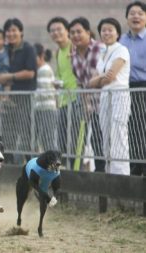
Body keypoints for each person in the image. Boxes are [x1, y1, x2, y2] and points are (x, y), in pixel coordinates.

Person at [89, 18, 130, 175]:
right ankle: (110, 172)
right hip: (105, 96)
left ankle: (122, 175)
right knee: (105, 135)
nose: (106, 33)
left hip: (119, 95)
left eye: (110, 29)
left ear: (117, 33)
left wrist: (101, 78)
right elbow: (91, 82)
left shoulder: (121, 50)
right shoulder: (103, 53)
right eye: (103, 30)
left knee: (118, 133)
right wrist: (101, 78)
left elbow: (111, 77)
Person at [0, 18, 37, 164]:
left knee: (26, 136)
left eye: (14, 30)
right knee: (7, 136)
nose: (11, 33)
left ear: (21, 32)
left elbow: (31, 73)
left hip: (24, 99)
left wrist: (10, 76)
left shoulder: (28, 49)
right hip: (8, 101)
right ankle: (8, 170)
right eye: (8, 31)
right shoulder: (4, 50)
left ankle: (32, 170)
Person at [69, 17, 106, 172]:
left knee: (109, 143)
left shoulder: (101, 48)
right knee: (96, 142)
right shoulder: (73, 56)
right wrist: (86, 105)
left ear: (88, 33)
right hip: (91, 108)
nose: (76, 35)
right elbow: (80, 83)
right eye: (72, 33)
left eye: (79, 32)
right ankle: (99, 173)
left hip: (106, 103)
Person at [47, 16, 80, 168]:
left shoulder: (75, 47)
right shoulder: (58, 52)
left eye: (59, 29)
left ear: (67, 31)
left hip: (77, 99)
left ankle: (76, 170)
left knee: (75, 141)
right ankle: (64, 171)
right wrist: (57, 83)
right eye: (52, 30)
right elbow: (60, 75)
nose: (56, 33)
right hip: (63, 101)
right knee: (61, 141)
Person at [119, 1, 146, 176]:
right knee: (132, 128)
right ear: (127, 18)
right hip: (126, 89)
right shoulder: (121, 40)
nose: (136, 16)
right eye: (132, 13)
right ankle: (136, 165)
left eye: (140, 13)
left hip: (144, 87)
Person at [33, 43, 58, 152]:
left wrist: (32, 95)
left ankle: (53, 162)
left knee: (47, 138)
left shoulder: (44, 70)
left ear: (41, 56)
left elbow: (46, 92)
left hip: (47, 108)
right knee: (40, 138)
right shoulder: (39, 70)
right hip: (39, 108)